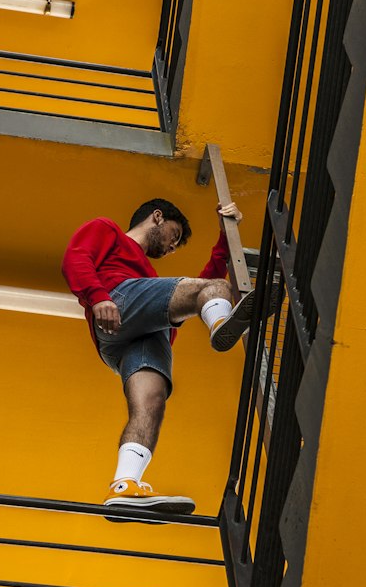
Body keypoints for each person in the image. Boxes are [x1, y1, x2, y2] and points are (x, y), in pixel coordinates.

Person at [61, 198, 256, 519]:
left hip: (146, 335)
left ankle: (124, 486)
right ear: (156, 217)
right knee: (214, 289)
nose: (172, 247)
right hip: (118, 300)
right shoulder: (107, 229)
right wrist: (97, 297)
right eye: (174, 235)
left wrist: (225, 239)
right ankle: (222, 324)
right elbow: (76, 257)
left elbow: (202, 285)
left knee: (150, 404)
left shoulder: (148, 276)